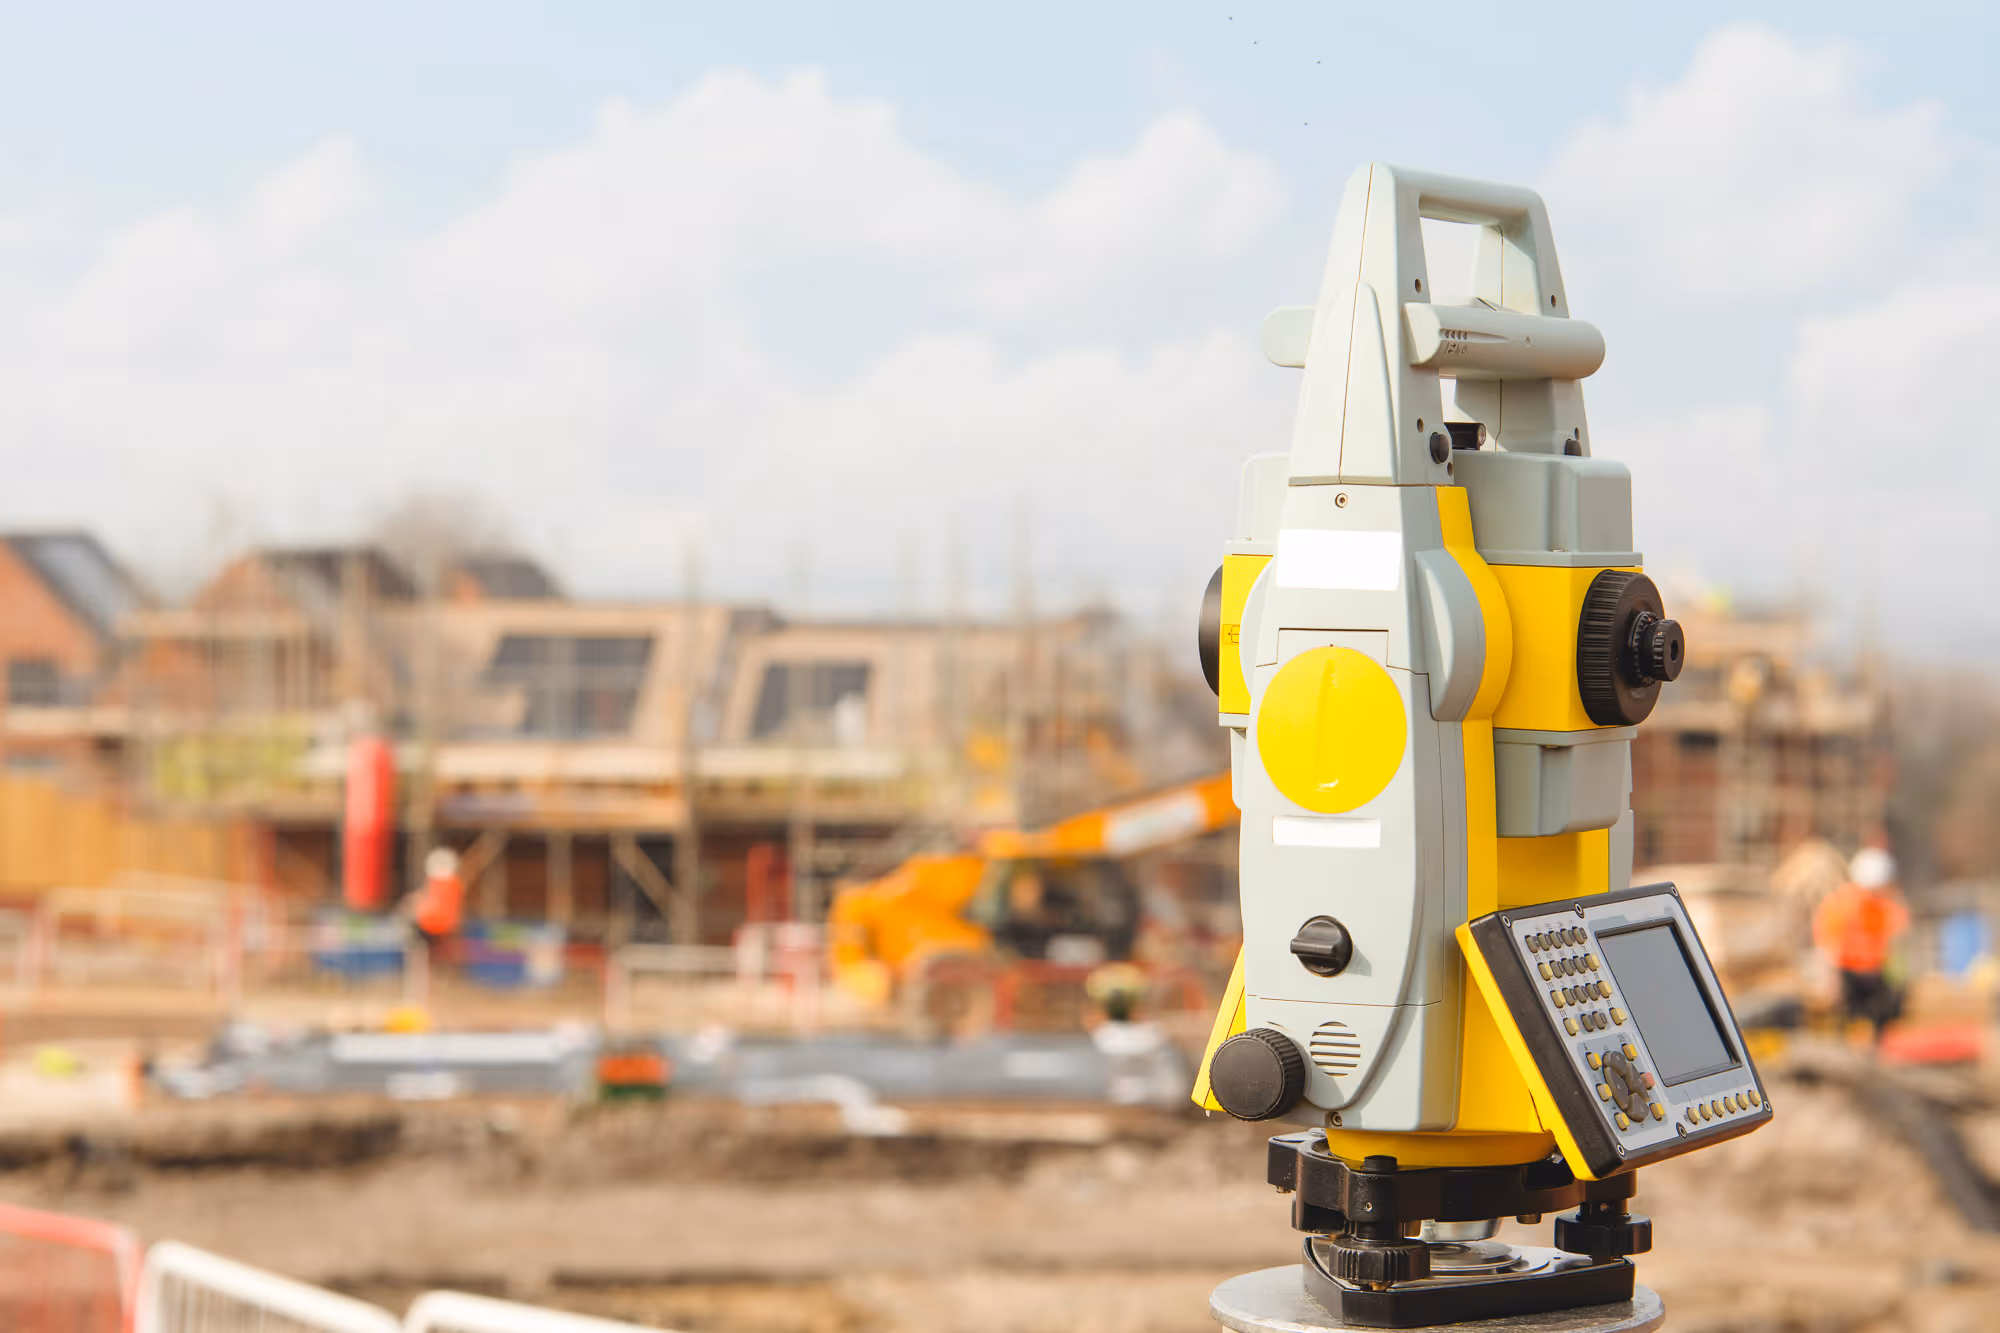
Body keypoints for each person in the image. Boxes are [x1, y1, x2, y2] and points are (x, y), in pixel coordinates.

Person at [1812, 847, 1910, 1044]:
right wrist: (1832, 979)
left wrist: (1897, 974)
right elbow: (1828, 944)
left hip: (1875, 972)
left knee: (1881, 1016)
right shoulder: (1841, 904)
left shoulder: (1884, 904)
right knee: (1846, 1020)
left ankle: (1875, 1051)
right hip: (1848, 972)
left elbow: (1898, 934)